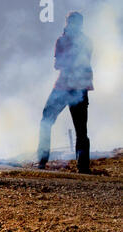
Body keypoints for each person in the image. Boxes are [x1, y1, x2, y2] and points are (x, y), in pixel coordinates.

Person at [37, 12, 94, 174]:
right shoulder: (86, 41)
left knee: (47, 120)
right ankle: (82, 167)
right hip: (79, 87)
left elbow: (58, 64)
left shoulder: (62, 40)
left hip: (64, 87)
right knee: (81, 129)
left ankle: (42, 161)